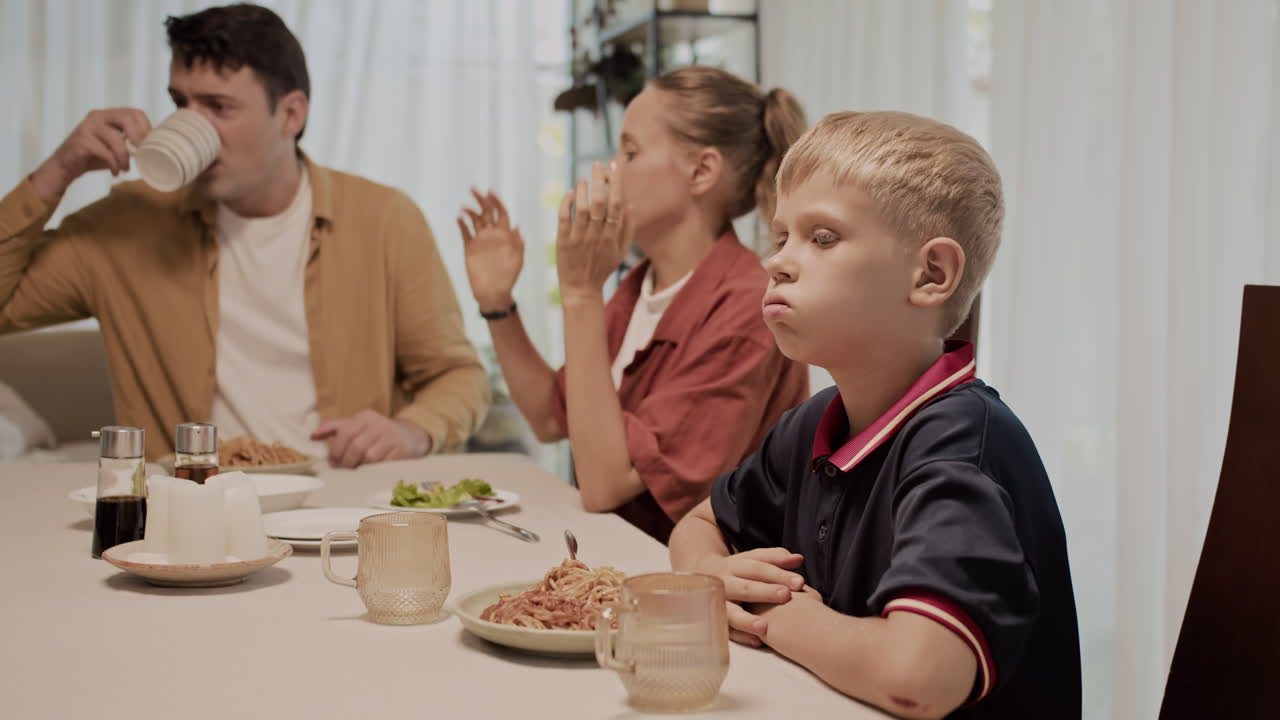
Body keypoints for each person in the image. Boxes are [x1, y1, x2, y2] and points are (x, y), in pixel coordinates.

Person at [669, 112, 1081, 719]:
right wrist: (709, 574)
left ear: (931, 275)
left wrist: (779, 612)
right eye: (780, 237)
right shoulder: (814, 424)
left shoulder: (960, 444)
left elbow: (918, 677)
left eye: (823, 237)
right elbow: (697, 525)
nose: (777, 262)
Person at [0, 4, 489, 465]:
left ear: (291, 115)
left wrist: (410, 431)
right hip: (190, 509)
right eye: (180, 103)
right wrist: (57, 170)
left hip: (342, 503)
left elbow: (457, 376)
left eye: (217, 106)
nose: (190, 124)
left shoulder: (384, 219)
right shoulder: (127, 224)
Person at [458, 66, 809, 543]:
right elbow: (548, 417)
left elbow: (605, 484)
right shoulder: (640, 287)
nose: (609, 172)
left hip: (700, 595)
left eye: (630, 151)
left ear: (702, 171)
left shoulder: (746, 308)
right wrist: (498, 304)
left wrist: (580, 294)